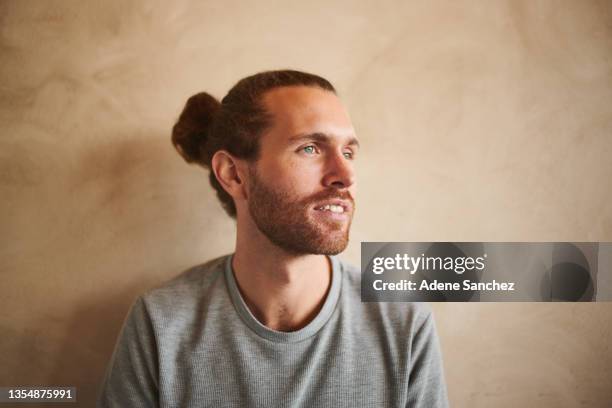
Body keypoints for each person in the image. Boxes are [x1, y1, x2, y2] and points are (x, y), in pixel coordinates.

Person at [97, 70, 449, 407]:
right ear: (234, 174)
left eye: (349, 152)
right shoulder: (161, 323)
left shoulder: (403, 322)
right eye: (310, 148)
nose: (345, 176)